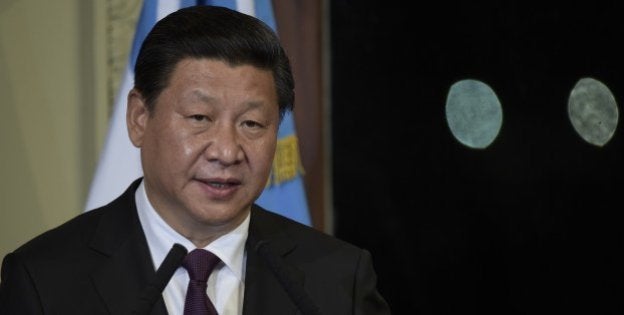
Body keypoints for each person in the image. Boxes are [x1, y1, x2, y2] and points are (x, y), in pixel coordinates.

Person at [0, 5, 391, 315]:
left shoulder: (339, 278)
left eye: (252, 123)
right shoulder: (45, 279)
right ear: (139, 118)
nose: (226, 151)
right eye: (200, 118)